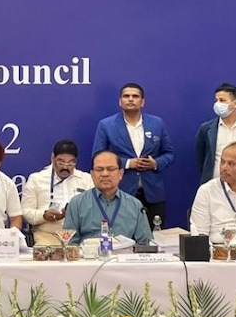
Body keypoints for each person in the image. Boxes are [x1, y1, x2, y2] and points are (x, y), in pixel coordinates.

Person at [92, 83, 175, 223]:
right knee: (121, 233)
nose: (130, 99)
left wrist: (155, 163)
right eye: (126, 96)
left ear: (142, 102)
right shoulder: (106, 125)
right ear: (120, 101)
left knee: (155, 234)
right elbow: (97, 157)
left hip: (153, 194)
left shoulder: (157, 123)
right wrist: (128, 163)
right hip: (120, 192)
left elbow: (170, 153)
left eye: (135, 96)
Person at [63, 150, 153, 245]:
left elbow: (145, 243)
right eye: (99, 169)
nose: (105, 174)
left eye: (111, 169)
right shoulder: (77, 203)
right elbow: (70, 243)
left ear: (120, 174)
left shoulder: (135, 205)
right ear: (92, 175)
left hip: (125, 253)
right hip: (89, 253)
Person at [21, 140, 94, 246]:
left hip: (79, 236)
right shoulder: (36, 179)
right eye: (61, 162)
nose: (65, 167)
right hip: (47, 235)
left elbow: (94, 210)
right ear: (52, 158)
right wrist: (44, 216)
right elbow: (26, 212)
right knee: (44, 252)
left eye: (70, 163)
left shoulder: (86, 180)